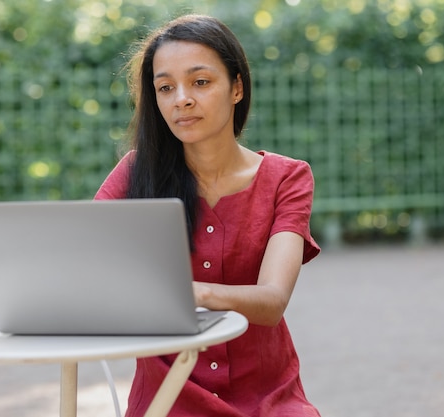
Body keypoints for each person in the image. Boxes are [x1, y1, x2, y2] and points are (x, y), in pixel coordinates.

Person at [95, 14, 321, 417]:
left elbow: (271, 302)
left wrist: (190, 293)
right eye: (165, 87)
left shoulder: (287, 178)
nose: (181, 98)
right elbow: (84, 262)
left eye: (200, 82)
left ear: (237, 87)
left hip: (268, 398)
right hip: (168, 400)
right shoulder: (134, 174)